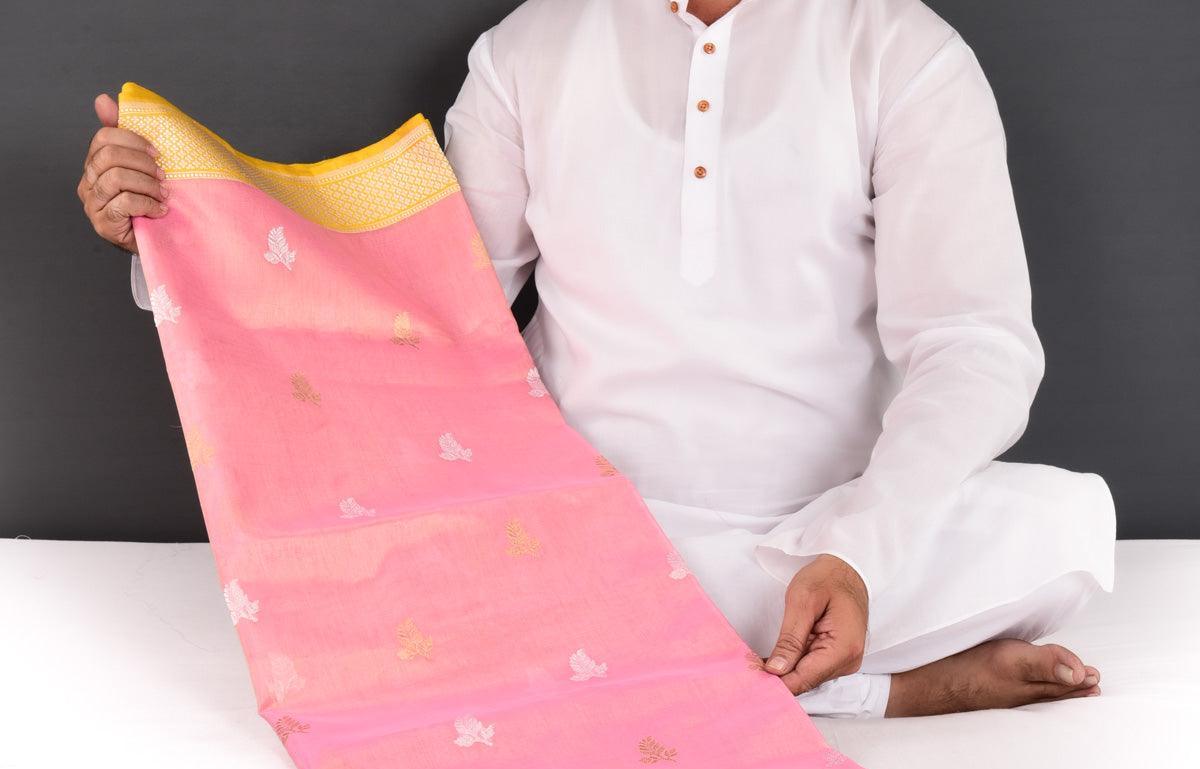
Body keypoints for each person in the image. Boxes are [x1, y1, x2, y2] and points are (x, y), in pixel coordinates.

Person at [78, 0, 1116, 717]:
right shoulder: (530, 48)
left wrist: (858, 551)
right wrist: (173, 232)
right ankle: (888, 689)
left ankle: (686, 661)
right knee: (397, 580)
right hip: (580, 526)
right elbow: (419, 312)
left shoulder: (901, 49)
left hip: (834, 538)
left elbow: (976, 347)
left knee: (1055, 531)